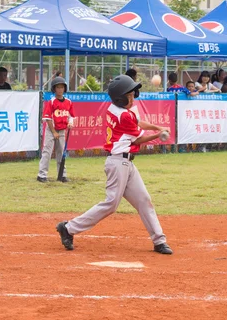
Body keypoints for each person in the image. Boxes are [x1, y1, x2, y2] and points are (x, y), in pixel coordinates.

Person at [55, 74, 172, 255]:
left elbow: (137, 122)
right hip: (118, 163)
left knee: (144, 200)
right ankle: (68, 228)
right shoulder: (124, 116)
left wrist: (157, 128)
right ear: (120, 98)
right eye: (130, 95)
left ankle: (159, 240)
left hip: (126, 163)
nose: (133, 97)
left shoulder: (114, 108)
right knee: (111, 204)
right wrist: (159, 135)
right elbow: (139, 137)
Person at [37, 77, 74, 183]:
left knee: (61, 153)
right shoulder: (51, 102)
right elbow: (47, 118)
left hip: (62, 131)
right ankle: (41, 175)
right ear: (54, 89)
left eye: (62, 87)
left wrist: (70, 123)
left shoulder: (68, 102)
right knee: (47, 152)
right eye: (58, 87)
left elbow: (72, 116)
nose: (60, 89)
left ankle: (62, 175)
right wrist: (53, 132)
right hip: (51, 130)